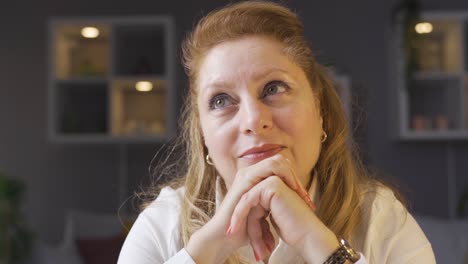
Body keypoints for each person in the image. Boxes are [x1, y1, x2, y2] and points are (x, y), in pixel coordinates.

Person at [118, 1, 436, 263]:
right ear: (203, 135)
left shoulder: (382, 221)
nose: (254, 120)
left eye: (274, 87)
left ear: (320, 111)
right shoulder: (162, 227)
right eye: (221, 100)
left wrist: (318, 243)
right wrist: (210, 246)